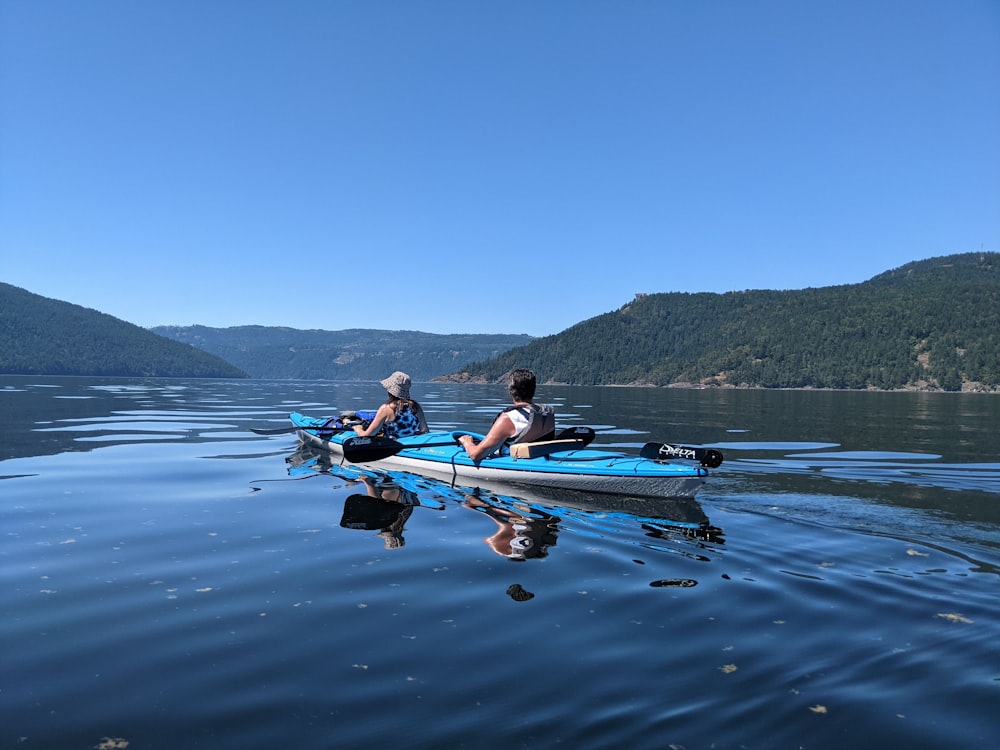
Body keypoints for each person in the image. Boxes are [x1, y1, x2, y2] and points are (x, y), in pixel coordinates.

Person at [458, 368, 555, 463]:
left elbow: (475, 455)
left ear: (511, 391)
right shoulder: (544, 414)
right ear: (533, 389)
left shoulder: (508, 418)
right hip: (537, 459)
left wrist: (467, 442)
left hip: (514, 463)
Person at [352, 371, 429, 439]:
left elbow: (367, 436)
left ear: (390, 390)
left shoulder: (386, 409)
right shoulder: (416, 407)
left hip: (391, 447)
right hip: (408, 445)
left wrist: (358, 429)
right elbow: (424, 431)